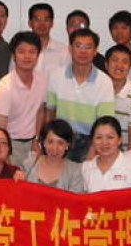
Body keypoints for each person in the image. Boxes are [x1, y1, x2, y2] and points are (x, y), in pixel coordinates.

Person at [47, 29, 115, 162]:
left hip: (90, 141)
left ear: (95, 51)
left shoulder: (104, 81)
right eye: (78, 46)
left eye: (88, 47)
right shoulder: (56, 76)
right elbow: (50, 112)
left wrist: (93, 149)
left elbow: (104, 123)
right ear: (70, 49)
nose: (83, 51)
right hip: (61, 139)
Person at [0, 32, 47, 167]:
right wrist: (5, 154)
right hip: (10, 145)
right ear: (13, 55)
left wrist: (37, 139)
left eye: (32, 52)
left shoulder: (42, 81)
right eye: (22, 52)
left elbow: (40, 111)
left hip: (33, 144)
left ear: (38, 55)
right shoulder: (5, 86)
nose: (27, 56)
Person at [81, 116, 131, 193]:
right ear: (92, 141)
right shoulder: (86, 167)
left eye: (110, 137)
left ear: (119, 140)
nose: (104, 142)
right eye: (99, 137)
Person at [23, 120, 85, 192]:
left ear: (67, 145)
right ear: (44, 142)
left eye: (60, 143)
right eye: (50, 142)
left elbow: (75, 198)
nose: (54, 148)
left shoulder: (75, 171)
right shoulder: (30, 162)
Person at [28, 3, 70, 74]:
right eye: (37, 19)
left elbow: (67, 78)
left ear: (52, 23)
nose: (42, 24)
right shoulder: (21, 51)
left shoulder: (64, 51)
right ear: (30, 23)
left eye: (46, 19)